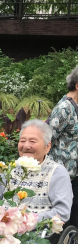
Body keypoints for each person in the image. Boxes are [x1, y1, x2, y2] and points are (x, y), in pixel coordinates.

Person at [0, 119, 72, 222]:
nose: (26, 146)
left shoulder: (57, 173)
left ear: (47, 147)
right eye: (22, 141)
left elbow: (62, 212)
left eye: (32, 141)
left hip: (36, 229)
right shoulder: (11, 168)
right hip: (2, 224)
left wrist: (25, 221)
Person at [47, 66, 78, 227]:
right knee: (64, 220)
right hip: (62, 174)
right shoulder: (64, 108)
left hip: (73, 174)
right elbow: (47, 139)